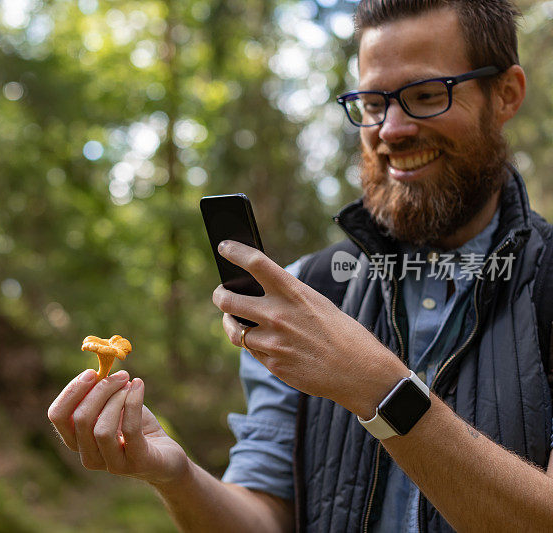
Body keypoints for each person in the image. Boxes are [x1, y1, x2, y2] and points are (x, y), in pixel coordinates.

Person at [48, 1, 553, 530]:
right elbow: (266, 517)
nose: (392, 129)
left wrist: (377, 386)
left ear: (506, 94)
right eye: (372, 102)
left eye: (426, 96)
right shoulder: (307, 292)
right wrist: (175, 476)